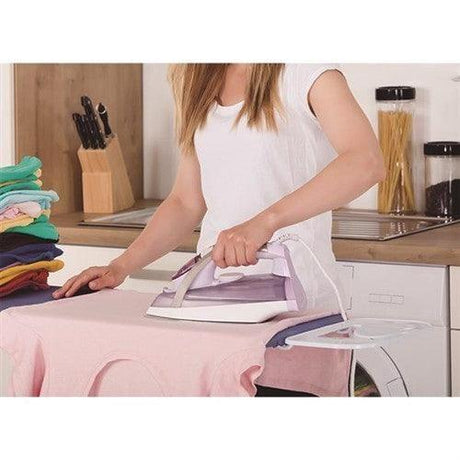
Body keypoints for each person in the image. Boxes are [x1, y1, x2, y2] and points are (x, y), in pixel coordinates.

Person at [54, 64, 384, 308]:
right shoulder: (196, 80)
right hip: (214, 298)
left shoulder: (307, 73)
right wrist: (120, 267)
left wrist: (265, 222)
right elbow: (186, 201)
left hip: (298, 303)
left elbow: (365, 162)